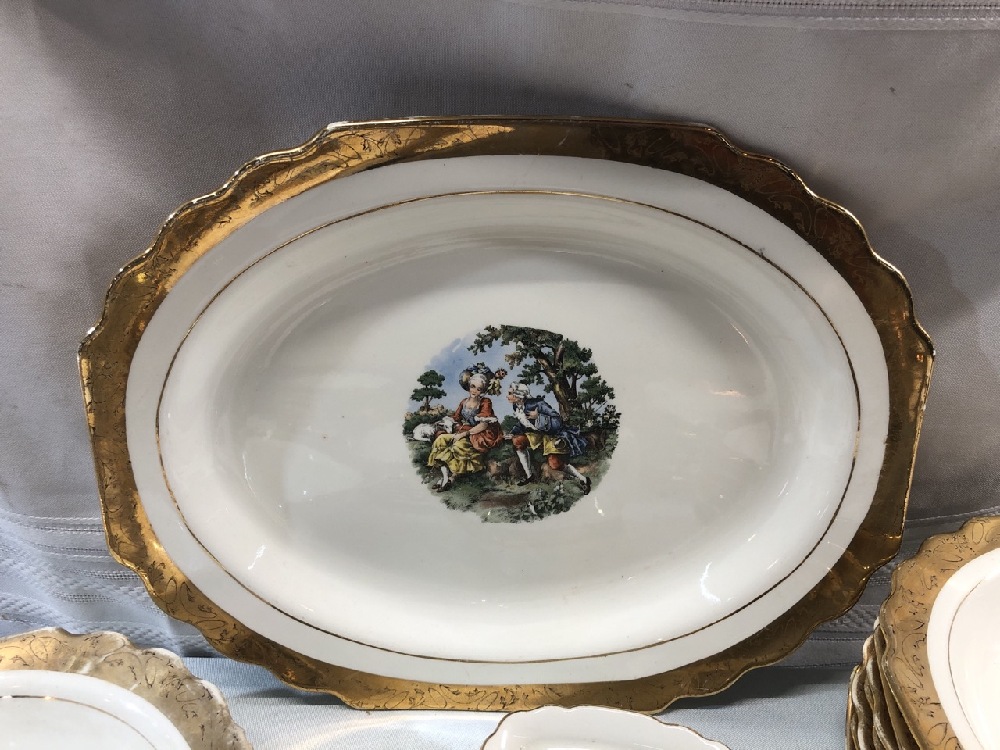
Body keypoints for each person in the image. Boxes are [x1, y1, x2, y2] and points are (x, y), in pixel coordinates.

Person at [426, 369, 504, 491]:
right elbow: (456, 417)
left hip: (479, 434)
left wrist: (463, 434)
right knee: (441, 439)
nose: (474, 391)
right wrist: (443, 422)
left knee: (458, 446)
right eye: (473, 387)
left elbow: (483, 425)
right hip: (465, 430)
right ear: (468, 386)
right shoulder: (464, 402)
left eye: (479, 389)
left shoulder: (485, 402)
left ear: (483, 390)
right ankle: (444, 477)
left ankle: (451, 479)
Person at [506, 383, 591, 494]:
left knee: (555, 464)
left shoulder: (538, 403)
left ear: (519, 395)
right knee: (517, 441)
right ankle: (529, 475)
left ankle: (583, 479)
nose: (507, 396)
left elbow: (557, 420)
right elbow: (523, 423)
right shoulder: (516, 406)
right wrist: (513, 433)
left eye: (510, 393)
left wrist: (538, 417)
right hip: (537, 435)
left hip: (552, 434)